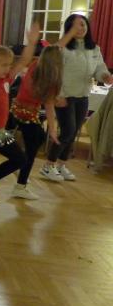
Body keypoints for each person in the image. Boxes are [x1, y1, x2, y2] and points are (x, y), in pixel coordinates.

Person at [0, 31, 61, 202]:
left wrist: (31, 43)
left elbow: (24, 61)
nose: (8, 68)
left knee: (20, 157)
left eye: (9, 65)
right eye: (4, 65)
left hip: (6, 124)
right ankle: (14, 184)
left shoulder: (13, 76)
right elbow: (49, 105)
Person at [40, 14, 113, 182]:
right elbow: (55, 72)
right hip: (64, 96)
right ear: (69, 28)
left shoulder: (94, 48)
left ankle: (61, 164)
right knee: (67, 131)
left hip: (83, 95)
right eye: (76, 25)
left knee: (73, 132)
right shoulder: (63, 49)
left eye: (83, 24)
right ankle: (48, 165)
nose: (81, 28)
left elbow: (99, 68)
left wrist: (105, 76)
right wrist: (59, 94)